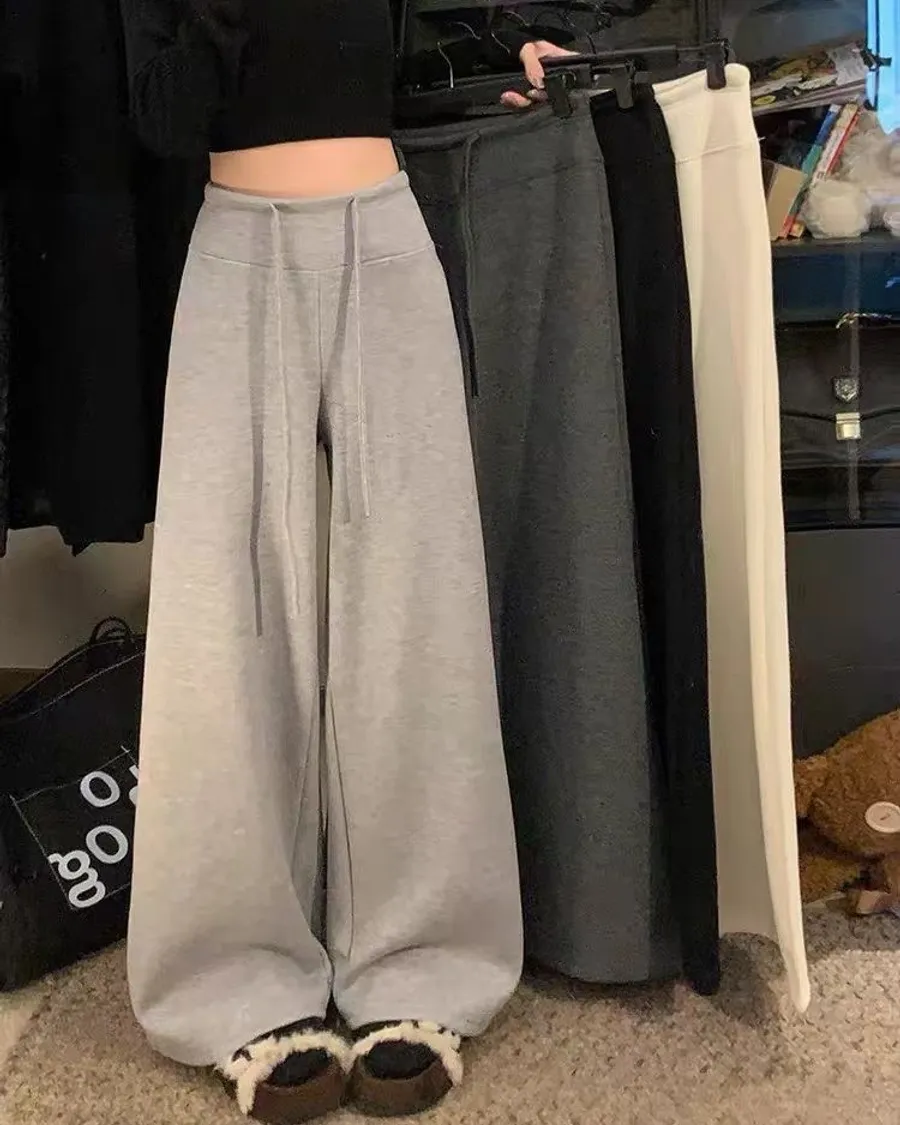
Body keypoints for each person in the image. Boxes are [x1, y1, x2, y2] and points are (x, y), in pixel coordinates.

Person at [117, 1, 569, 1121]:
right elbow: (162, 117)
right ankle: (230, 981)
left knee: (417, 609)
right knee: (226, 624)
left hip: (388, 241)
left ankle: (425, 965)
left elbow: (403, 50)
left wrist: (494, 53)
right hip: (236, 251)